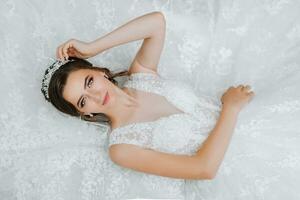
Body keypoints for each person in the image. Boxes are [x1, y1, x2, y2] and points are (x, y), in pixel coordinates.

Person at [41, 11, 300, 200]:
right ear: (84, 112)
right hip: (235, 166)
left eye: (89, 82)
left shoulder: (142, 75)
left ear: (99, 72)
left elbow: (156, 22)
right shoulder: (121, 147)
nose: (96, 96)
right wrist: (230, 108)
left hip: (254, 121)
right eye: (83, 100)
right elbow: (204, 169)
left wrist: (92, 46)